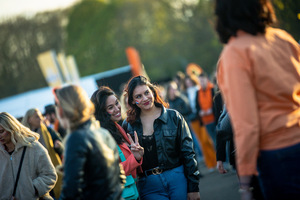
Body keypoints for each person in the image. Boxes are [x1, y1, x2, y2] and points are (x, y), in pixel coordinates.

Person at [215, 0, 300, 199]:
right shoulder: (282, 38)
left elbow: (246, 124)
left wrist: (244, 181)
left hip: (277, 153)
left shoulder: (235, 52)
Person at [122, 75, 200, 200]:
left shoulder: (174, 117)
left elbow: (189, 154)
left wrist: (193, 187)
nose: (145, 98)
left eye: (147, 93)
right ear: (132, 101)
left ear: (152, 92)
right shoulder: (128, 125)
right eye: (138, 96)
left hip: (177, 177)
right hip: (149, 185)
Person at [52, 85, 124, 200]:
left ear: (62, 111)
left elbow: (70, 192)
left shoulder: (76, 138)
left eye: (58, 106)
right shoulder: (101, 131)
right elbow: (120, 178)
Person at [91, 86, 144, 200]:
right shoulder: (101, 136)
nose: (117, 108)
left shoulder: (116, 127)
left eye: (117, 103)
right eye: (110, 107)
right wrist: (135, 159)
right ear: (101, 112)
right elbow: (109, 172)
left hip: (135, 189)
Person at [0, 112, 57, 200]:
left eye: (1, 131)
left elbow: (50, 175)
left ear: (11, 128)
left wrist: (31, 190)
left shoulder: (33, 147)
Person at [22, 108, 63, 199]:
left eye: (41, 116)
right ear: (29, 119)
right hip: (36, 177)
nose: (41, 118)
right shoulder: (24, 137)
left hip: (52, 172)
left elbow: (62, 148)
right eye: (37, 117)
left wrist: (59, 146)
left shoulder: (49, 131)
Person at [184, 74, 217, 171]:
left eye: (190, 81)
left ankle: (217, 161)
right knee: (202, 142)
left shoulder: (201, 90)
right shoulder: (187, 92)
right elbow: (192, 106)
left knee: (209, 140)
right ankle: (210, 164)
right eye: (187, 83)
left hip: (205, 118)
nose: (189, 84)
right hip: (196, 119)